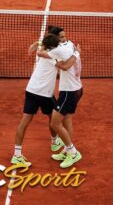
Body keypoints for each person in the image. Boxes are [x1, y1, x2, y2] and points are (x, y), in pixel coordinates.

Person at [11, 34, 78, 167]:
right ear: (54, 47)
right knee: (54, 120)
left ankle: (17, 155)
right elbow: (66, 66)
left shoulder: (42, 53)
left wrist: (36, 44)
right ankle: (59, 145)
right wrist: (76, 53)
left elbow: (44, 47)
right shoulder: (54, 57)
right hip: (45, 95)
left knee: (24, 123)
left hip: (31, 90)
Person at [37, 26, 83, 168]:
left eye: (64, 36)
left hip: (69, 92)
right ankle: (66, 150)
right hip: (76, 89)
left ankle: (73, 152)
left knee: (55, 123)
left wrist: (43, 47)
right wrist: (76, 53)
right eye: (61, 37)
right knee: (67, 120)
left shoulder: (58, 49)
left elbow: (41, 54)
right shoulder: (70, 44)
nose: (63, 39)